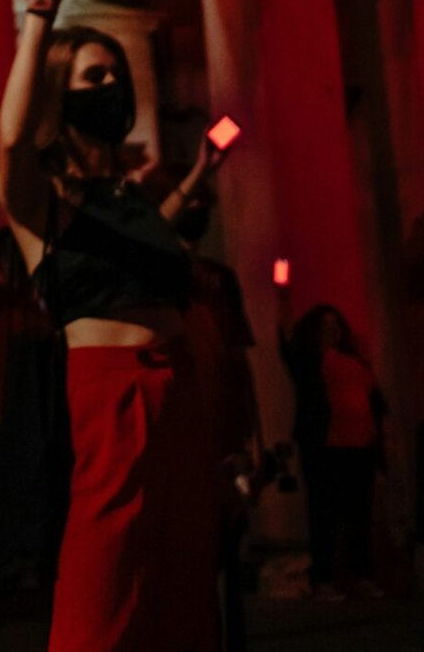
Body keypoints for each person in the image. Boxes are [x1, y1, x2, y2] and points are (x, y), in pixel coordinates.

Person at [0, 0, 220, 652]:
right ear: (60, 91)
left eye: (113, 75)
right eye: (91, 78)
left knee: (184, 577)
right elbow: (9, 142)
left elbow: (167, 256)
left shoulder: (131, 196)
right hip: (109, 391)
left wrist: (201, 171)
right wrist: (41, 17)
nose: (107, 88)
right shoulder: (40, 201)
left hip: (178, 385)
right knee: (106, 575)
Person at [0, 178, 57, 651]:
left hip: (47, 435)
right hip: (4, 435)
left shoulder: (48, 311)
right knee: (0, 539)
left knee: (52, 537)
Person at [172, 189, 260, 652]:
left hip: (219, 415)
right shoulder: (171, 276)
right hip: (195, 416)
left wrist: (251, 430)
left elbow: (236, 353)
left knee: (224, 534)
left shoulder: (218, 280)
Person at [278, 287, 386, 601]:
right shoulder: (310, 362)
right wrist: (284, 297)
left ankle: (361, 575)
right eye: (326, 325)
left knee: (358, 513)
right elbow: (286, 344)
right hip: (324, 446)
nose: (333, 330)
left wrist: (382, 441)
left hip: (360, 445)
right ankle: (323, 579)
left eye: (336, 324)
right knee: (324, 512)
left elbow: (376, 400)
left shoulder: (355, 362)